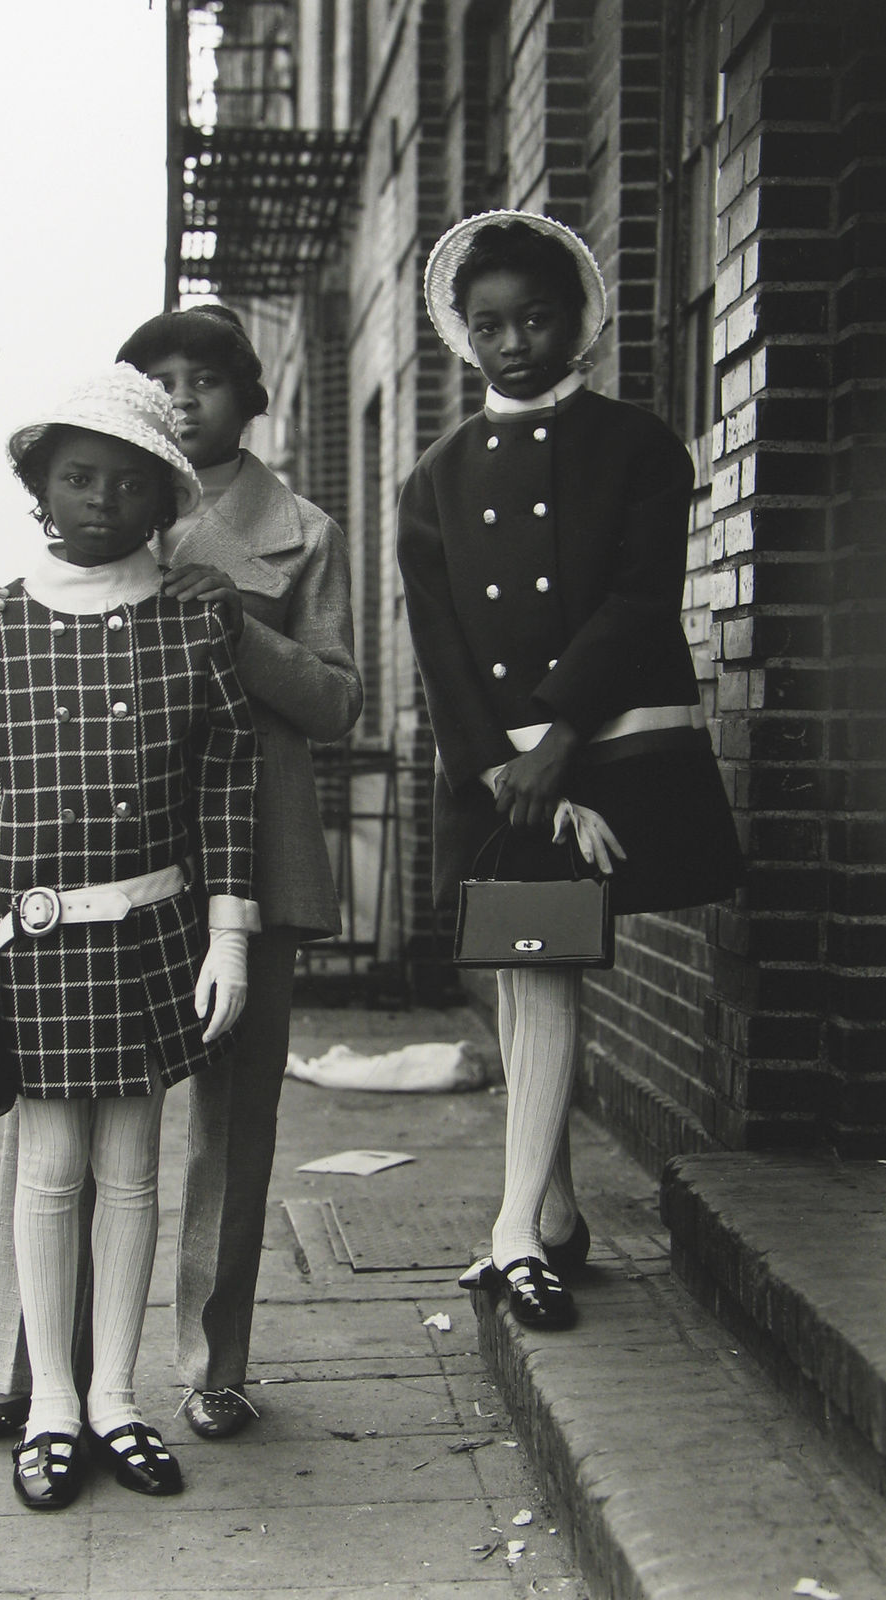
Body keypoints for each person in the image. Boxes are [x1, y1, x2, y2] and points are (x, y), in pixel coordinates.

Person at [0, 307, 361, 1447]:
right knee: (48, 1116)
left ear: (251, 397)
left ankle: (211, 1366)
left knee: (228, 1125)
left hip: (249, 847)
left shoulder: (298, 530)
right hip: (94, 872)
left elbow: (339, 701)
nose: (181, 393)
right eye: (155, 375)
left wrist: (234, 632)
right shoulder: (100, 499)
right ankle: (20, 1379)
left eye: (205, 376)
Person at [396, 211, 743, 1331]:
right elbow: (440, 638)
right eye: (487, 323)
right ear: (462, 331)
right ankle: (543, 1217)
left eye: (534, 317)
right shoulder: (433, 479)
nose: (511, 341)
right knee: (526, 966)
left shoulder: (637, 445)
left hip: (600, 746)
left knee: (539, 961)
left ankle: (515, 1230)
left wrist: (553, 740)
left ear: (577, 319)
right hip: (498, 768)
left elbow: (640, 601)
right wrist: (496, 763)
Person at [0, 364, 260, 1508]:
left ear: (161, 501)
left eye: (128, 484)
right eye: (76, 477)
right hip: (37, 947)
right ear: (39, 485)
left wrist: (231, 935)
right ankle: (56, 1405)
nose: (100, 502)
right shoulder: (2, 623)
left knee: (132, 1173)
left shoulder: (190, 617)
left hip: (156, 936)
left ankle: (119, 1397)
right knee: (50, 1174)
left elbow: (226, 779)